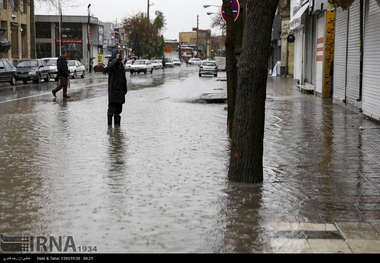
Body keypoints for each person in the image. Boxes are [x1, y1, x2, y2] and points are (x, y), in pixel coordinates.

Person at [107, 50, 127, 126]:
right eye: (117, 55)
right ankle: (109, 127)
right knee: (111, 109)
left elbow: (124, 78)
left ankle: (117, 128)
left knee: (118, 110)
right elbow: (109, 66)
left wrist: (125, 88)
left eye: (120, 56)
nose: (119, 57)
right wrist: (115, 58)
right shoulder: (111, 65)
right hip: (113, 90)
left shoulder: (121, 66)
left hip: (120, 91)